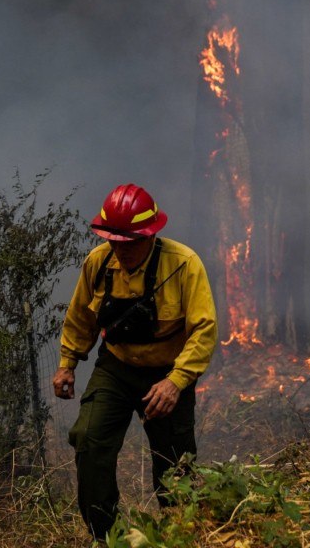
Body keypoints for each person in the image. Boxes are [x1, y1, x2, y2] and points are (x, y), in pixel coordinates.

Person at [52, 183, 218, 541]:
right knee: (89, 440)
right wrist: (68, 363)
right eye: (114, 239)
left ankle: (180, 532)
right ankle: (107, 536)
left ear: (151, 234)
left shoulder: (184, 264)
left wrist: (176, 381)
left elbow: (204, 330)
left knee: (176, 466)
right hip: (116, 368)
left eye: (130, 241)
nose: (121, 248)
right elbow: (81, 317)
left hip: (167, 373)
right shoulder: (98, 263)